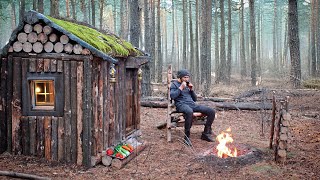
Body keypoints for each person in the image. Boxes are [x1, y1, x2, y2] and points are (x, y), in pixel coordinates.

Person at [170, 69, 215, 146]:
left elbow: (195, 99)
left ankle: (205, 134)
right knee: (189, 112)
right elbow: (172, 96)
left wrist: (191, 90)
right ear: (180, 77)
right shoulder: (174, 84)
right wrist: (180, 88)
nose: (187, 79)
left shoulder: (187, 85)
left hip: (192, 104)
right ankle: (186, 137)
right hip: (181, 104)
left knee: (211, 111)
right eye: (185, 77)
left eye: (188, 77)